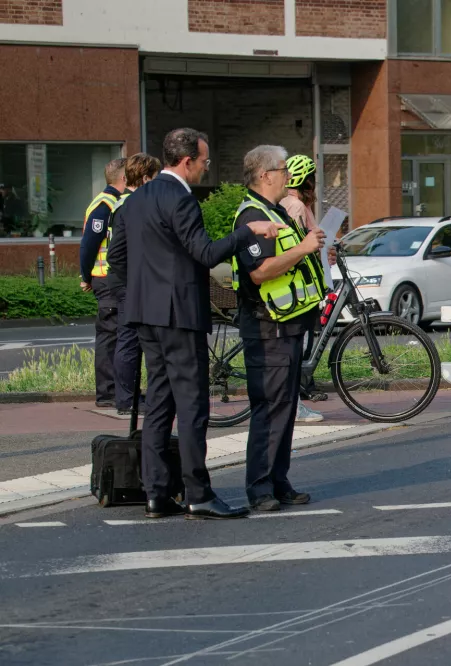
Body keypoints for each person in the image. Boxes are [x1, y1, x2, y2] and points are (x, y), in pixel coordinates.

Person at [109, 128, 283, 521]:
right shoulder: (181, 199)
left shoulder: (134, 200)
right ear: (186, 161)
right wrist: (246, 232)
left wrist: (137, 295)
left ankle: (155, 493)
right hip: (179, 315)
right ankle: (198, 493)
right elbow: (204, 253)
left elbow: (117, 259)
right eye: (204, 161)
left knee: (158, 401)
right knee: (191, 406)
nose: (206, 167)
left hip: (143, 313)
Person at [231, 145, 327, 511]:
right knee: (269, 407)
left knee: (285, 406)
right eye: (284, 170)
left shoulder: (274, 211)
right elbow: (260, 271)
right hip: (266, 326)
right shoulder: (252, 215)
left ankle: (278, 479)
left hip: (286, 325)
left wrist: (312, 249)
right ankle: (259, 488)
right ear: (265, 175)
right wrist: (303, 248)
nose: (289, 176)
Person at [106, 153, 162, 414]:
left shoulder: (124, 204)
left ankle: (128, 398)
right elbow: (116, 254)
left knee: (130, 340)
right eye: (156, 177)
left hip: (126, 281)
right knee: (129, 340)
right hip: (128, 283)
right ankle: (127, 400)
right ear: (146, 177)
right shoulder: (130, 205)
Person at [279, 154, 327, 414]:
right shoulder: (295, 207)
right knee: (301, 342)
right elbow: (300, 246)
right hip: (300, 285)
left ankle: (297, 396)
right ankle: (295, 402)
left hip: (298, 283)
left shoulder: (292, 203)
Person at [80, 158, 126, 408]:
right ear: (124, 179)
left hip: (108, 278)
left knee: (118, 336)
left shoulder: (112, 203)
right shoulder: (105, 205)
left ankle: (117, 391)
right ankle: (107, 393)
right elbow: (89, 245)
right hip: (106, 278)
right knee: (110, 337)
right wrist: (85, 276)